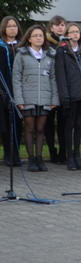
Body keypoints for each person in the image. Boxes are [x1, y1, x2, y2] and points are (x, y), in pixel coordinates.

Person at [12, 25, 58, 171]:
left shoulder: (50, 55)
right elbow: (16, 78)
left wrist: (54, 99)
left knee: (40, 129)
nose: (39, 38)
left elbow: (53, 79)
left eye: (41, 35)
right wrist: (19, 100)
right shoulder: (22, 55)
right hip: (27, 98)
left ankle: (39, 159)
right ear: (29, 38)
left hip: (44, 98)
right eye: (36, 35)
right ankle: (31, 159)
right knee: (30, 128)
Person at [54, 23, 81, 171]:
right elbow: (61, 76)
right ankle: (69, 155)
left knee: (78, 125)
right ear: (67, 34)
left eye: (77, 31)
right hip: (69, 95)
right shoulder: (62, 52)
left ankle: (77, 155)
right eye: (72, 32)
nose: (75, 34)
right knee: (69, 126)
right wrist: (65, 97)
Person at [45, 15, 68, 165]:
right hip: (49, 87)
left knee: (63, 123)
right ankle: (52, 151)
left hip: (64, 88)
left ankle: (63, 152)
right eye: (57, 25)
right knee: (48, 122)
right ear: (51, 27)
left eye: (62, 25)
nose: (60, 27)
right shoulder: (47, 43)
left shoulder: (67, 43)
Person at [1, 16, 23, 167]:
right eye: (9, 26)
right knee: (6, 122)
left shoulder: (22, 46)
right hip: (4, 89)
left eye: (14, 26)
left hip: (20, 89)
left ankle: (16, 152)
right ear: (3, 28)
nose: (12, 28)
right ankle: (8, 153)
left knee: (18, 122)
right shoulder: (1, 46)